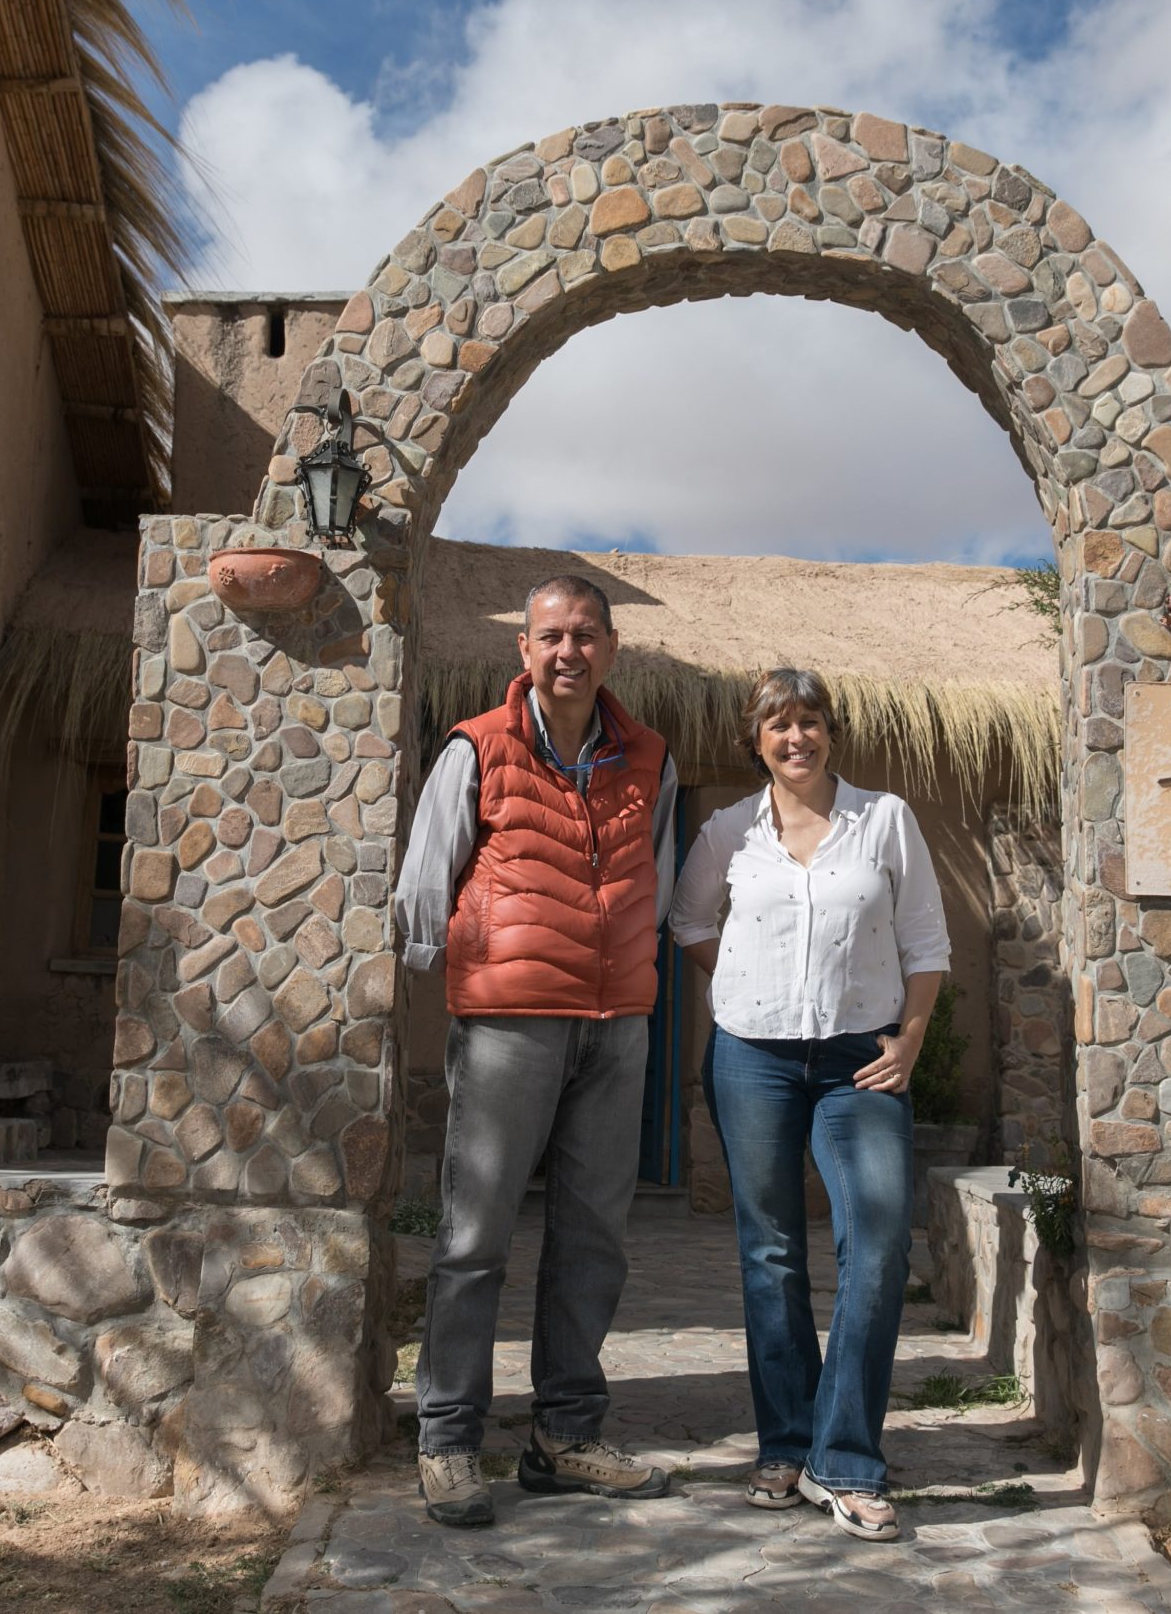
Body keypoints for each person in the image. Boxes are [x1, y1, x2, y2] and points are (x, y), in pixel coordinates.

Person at [392, 573, 679, 1529]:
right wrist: (437, 965)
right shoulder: (476, 748)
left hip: (616, 1025)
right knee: (475, 1236)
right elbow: (426, 875)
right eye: (551, 635)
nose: (569, 652)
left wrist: (640, 969)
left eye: (587, 636)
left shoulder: (653, 760)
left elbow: (661, 883)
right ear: (524, 650)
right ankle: (448, 1440)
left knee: (595, 1238)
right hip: (511, 1019)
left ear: (611, 650)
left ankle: (564, 1436)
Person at [669, 666, 949, 1544]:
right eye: (779, 726)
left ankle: (847, 1457)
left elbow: (926, 942)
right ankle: (786, 1445)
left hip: (859, 1062)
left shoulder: (885, 821)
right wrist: (749, 988)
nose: (797, 739)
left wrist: (909, 1039)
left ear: (832, 732)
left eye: (811, 723)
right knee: (773, 1252)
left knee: (878, 1237)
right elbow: (687, 924)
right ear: (757, 740)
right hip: (750, 1058)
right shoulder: (726, 832)